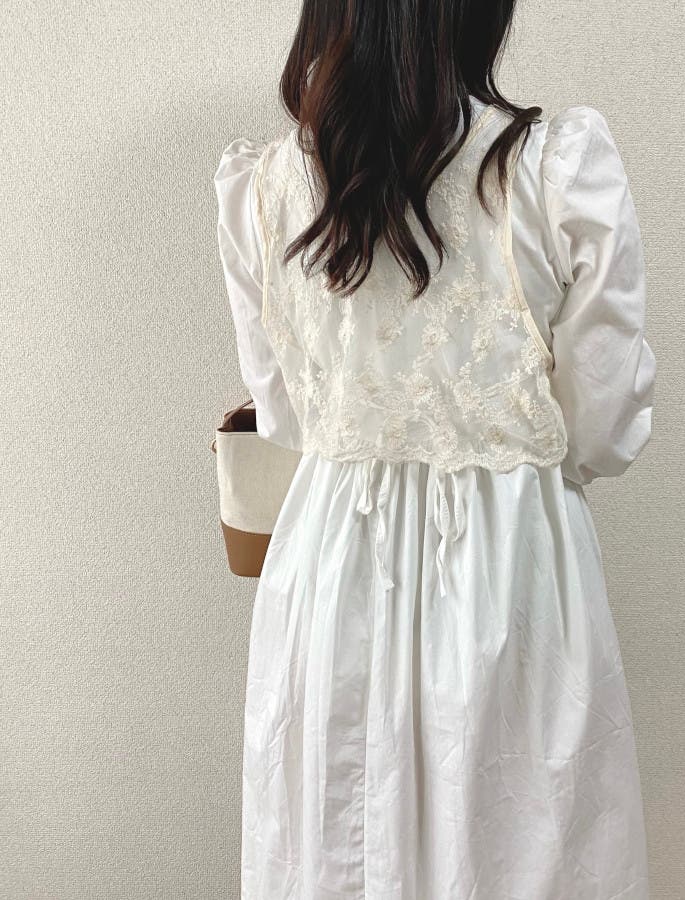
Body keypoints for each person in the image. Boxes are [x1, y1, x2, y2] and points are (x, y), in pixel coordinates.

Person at [214, 3, 656, 897]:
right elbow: (604, 430)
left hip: (329, 580)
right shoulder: (554, 173)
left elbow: (288, 420)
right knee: (518, 849)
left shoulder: (263, 190)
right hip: (511, 577)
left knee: (335, 849)